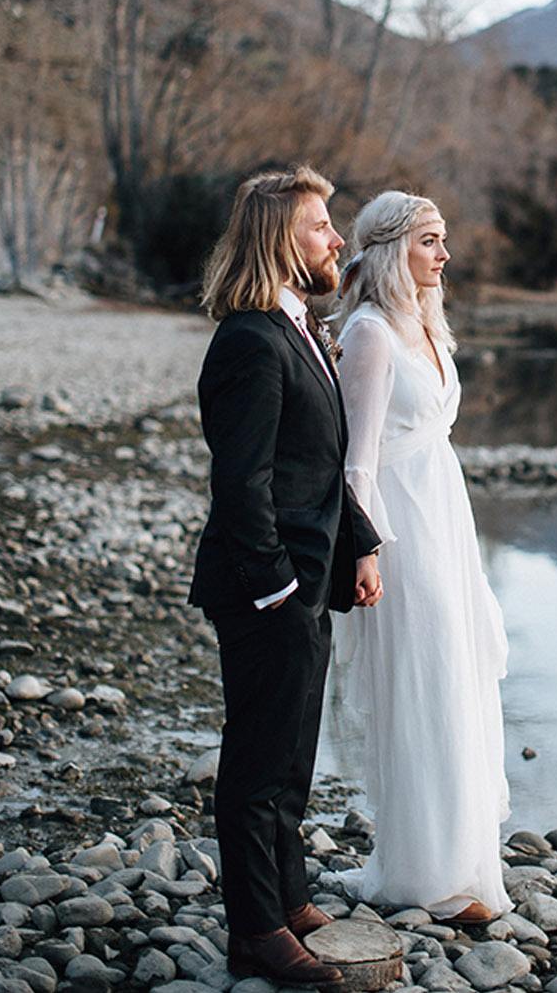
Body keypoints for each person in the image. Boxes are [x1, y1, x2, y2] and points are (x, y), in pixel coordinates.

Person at [189, 166, 384, 986]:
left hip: (305, 580)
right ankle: (256, 930)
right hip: (266, 587)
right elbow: (243, 483)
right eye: (320, 227)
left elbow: (321, 461)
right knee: (257, 761)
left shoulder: (301, 327)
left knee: (293, 752)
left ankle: (289, 894)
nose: (337, 239)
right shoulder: (248, 340)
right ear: (279, 239)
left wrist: (361, 544)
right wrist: (278, 588)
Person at [333, 190, 511, 923]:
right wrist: (364, 551)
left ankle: (462, 859)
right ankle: (423, 874)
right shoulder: (370, 334)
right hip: (401, 530)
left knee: (460, 676)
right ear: (390, 250)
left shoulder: (425, 324)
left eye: (444, 240)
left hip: (447, 516)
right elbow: (358, 462)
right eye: (430, 241)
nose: (445, 255)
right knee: (423, 683)